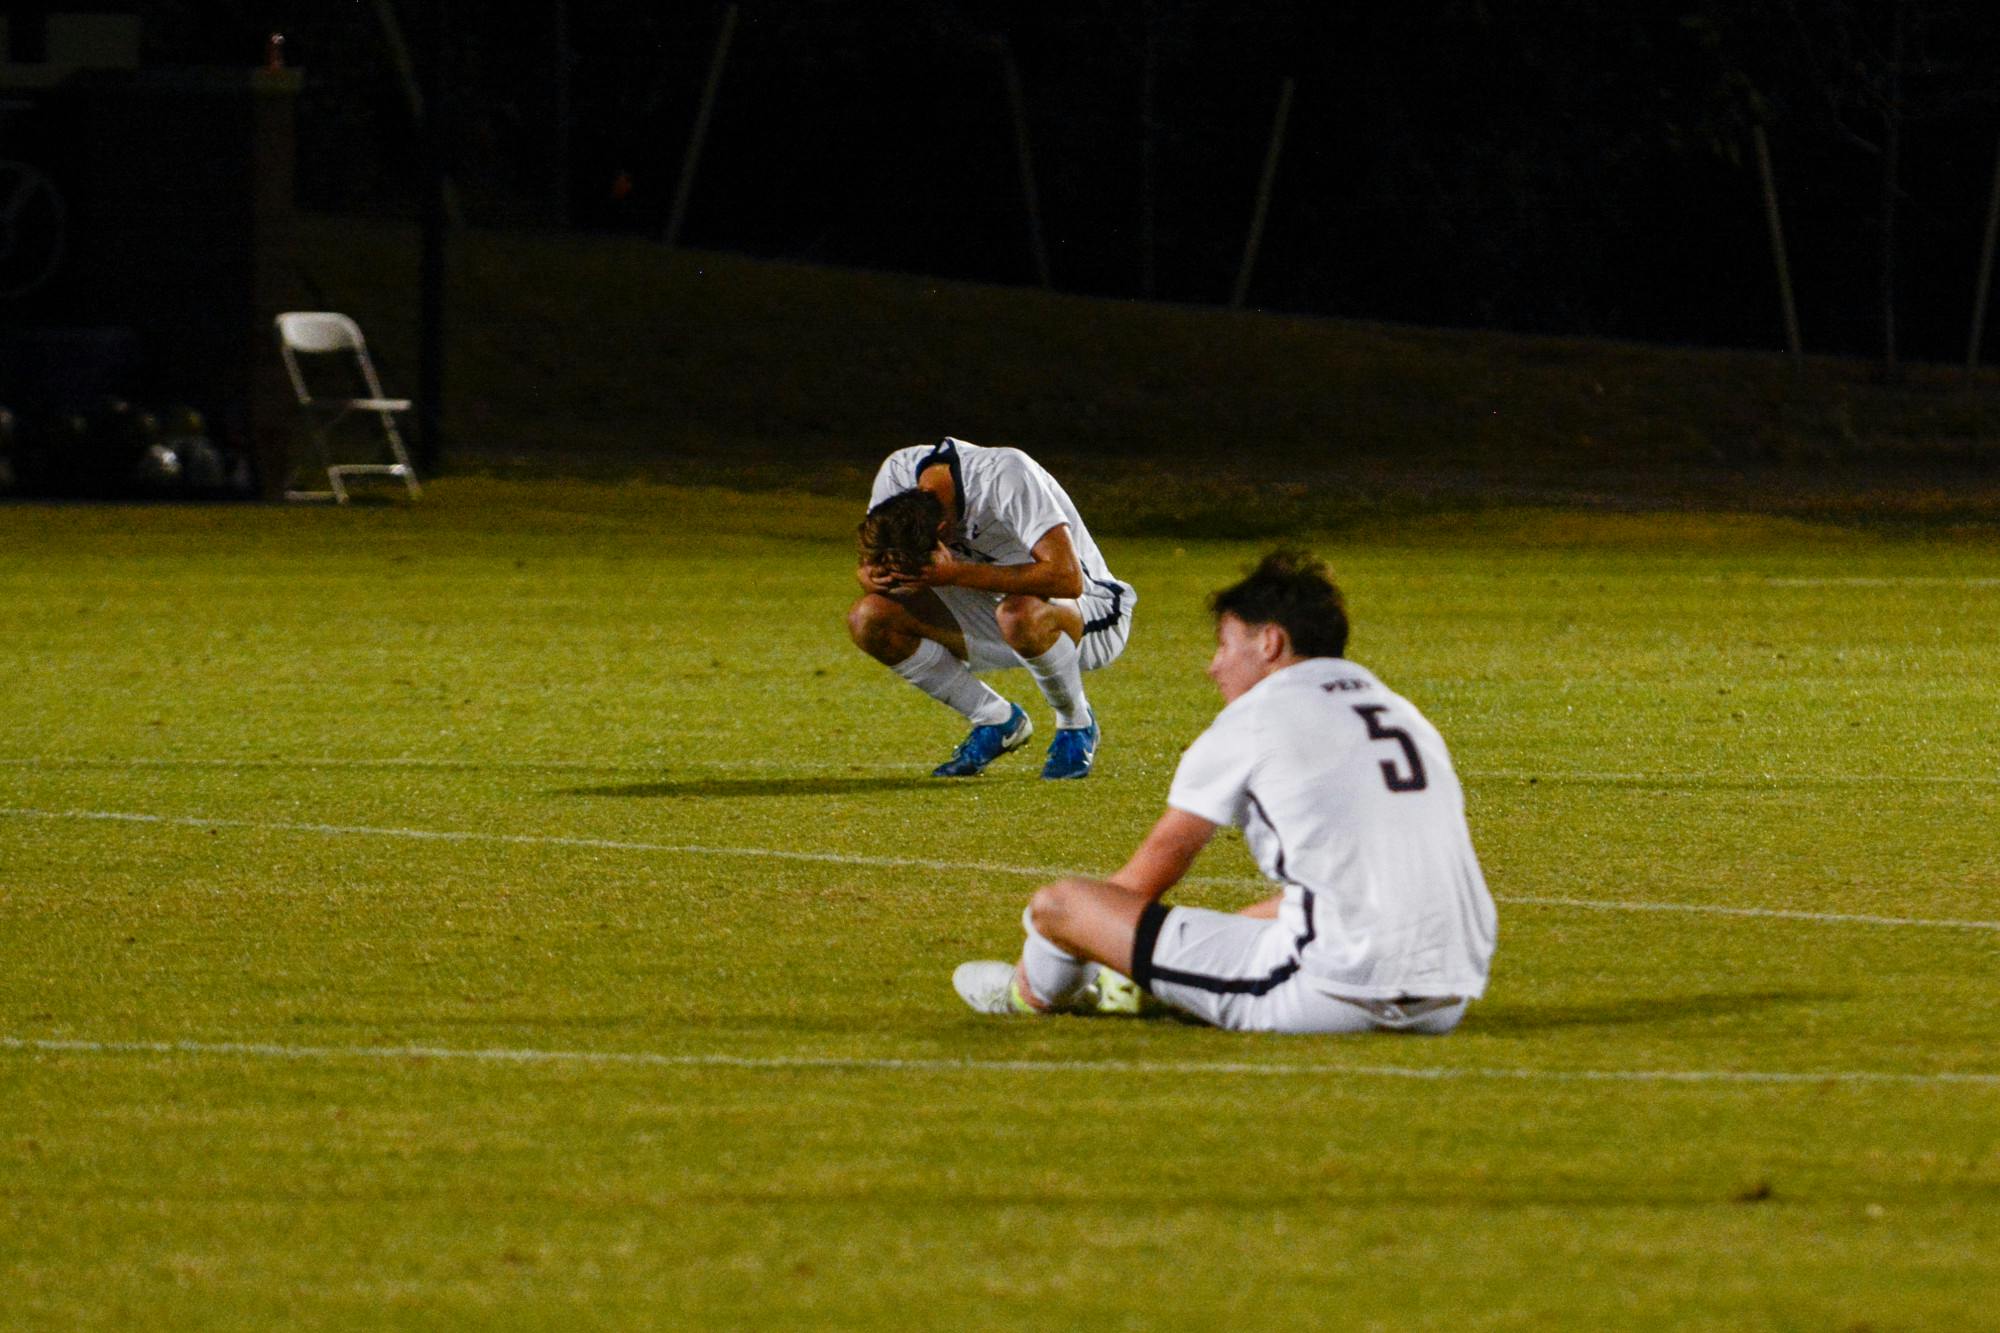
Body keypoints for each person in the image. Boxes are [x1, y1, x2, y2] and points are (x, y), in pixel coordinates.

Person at [952, 549, 1495, 1034]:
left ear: (1270, 642)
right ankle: (1162, 979)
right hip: (1449, 990)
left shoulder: (1257, 716)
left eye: (1224, 645)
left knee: (1062, 907)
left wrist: (1100, 942)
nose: (1214, 666)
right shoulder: (1401, 712)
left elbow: (1151, 873)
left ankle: (1028, 996)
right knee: (1307, 898)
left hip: (1334, 988)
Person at [850, 436, 1136, 779]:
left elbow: (1066, 578)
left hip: (1087, 612)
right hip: (996, 610)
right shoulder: (897, 474)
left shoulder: (1005, 476)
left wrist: (956, 573)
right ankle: (996, 721)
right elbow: (873, 567)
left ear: (942, 531)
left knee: (1018, 613)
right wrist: (876, 574)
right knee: (869, 618)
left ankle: (1076, 724)